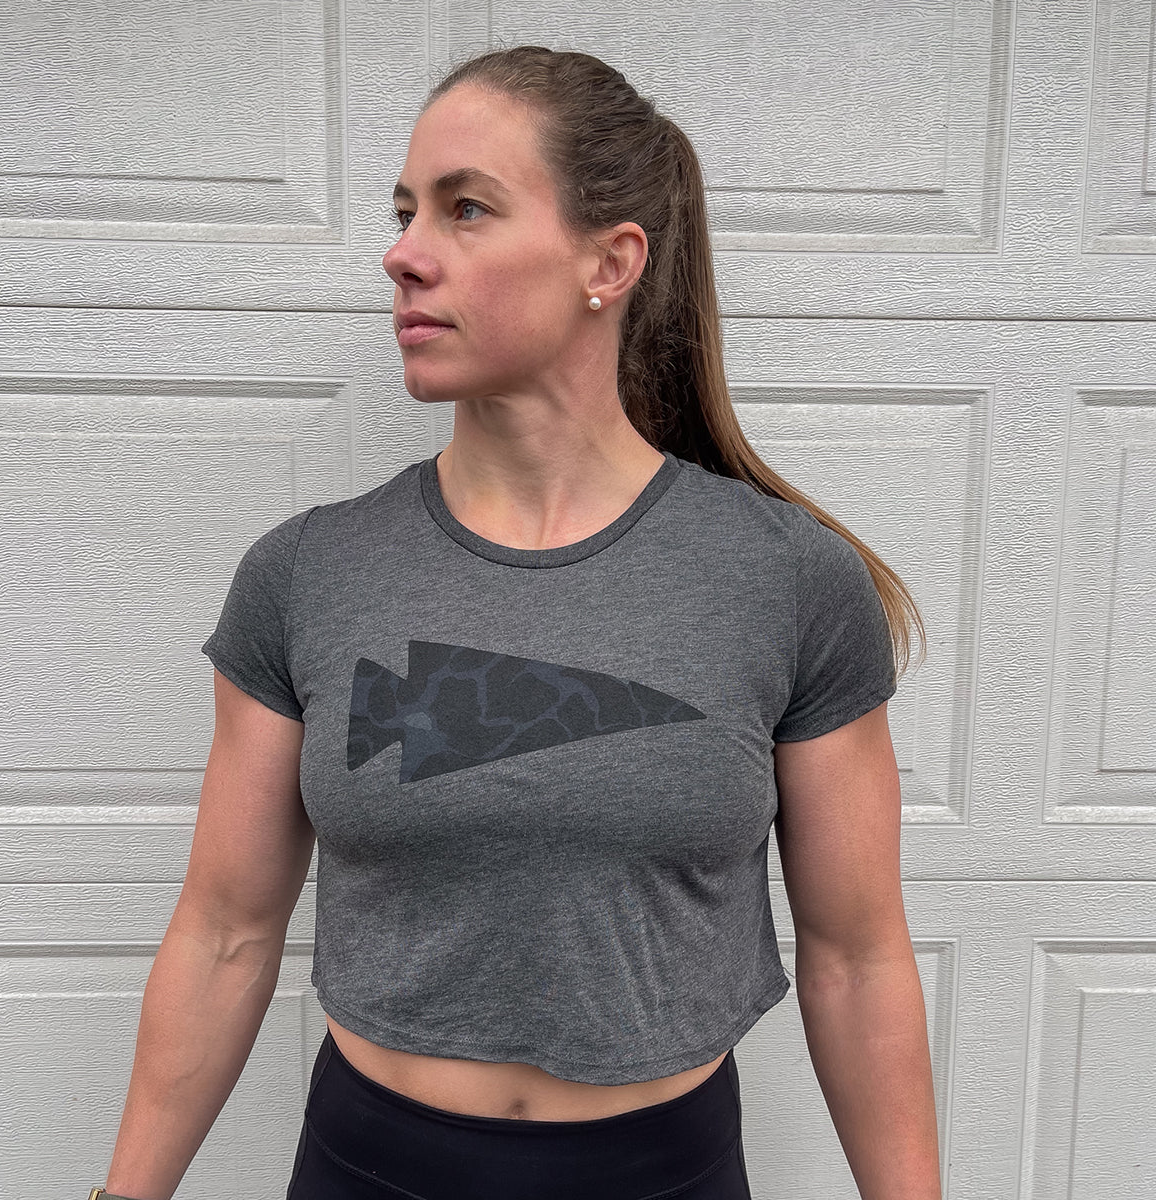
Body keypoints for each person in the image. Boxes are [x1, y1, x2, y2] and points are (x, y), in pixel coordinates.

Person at [93, 45, 941, 1200]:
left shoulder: (786, 579)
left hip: (666, 1174)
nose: (402, 253)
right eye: (404, 213)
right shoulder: (309, 571)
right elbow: (225, 934)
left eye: (466, 209)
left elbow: (857, 959)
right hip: (368, 1169)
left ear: (611, 260)